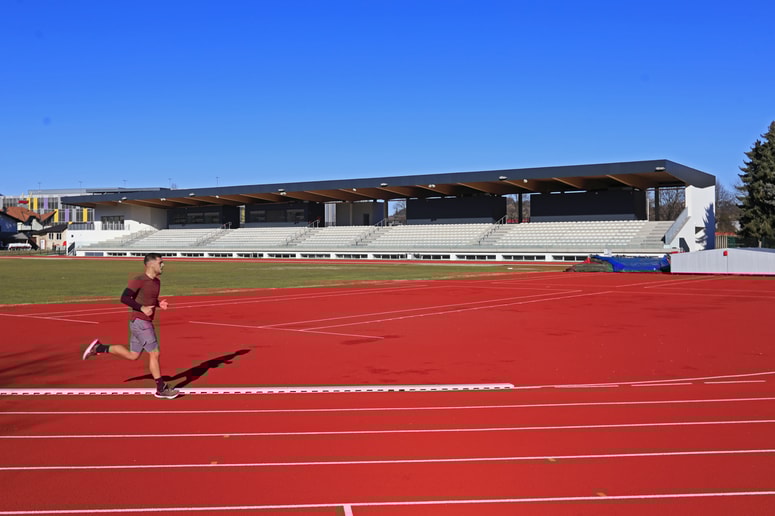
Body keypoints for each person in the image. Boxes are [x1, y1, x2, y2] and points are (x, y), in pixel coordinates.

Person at [82, 252, 179, 399]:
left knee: (133, 355)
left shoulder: (157, 282)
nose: (163, 265)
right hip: (141, 322)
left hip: (140, 323)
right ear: (151, 264)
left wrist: (159, 303)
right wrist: (141, 308)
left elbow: (149, 298)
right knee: (154, 353)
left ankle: (100, 348)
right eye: (161, 262)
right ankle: (161, 388)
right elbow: (124, 298)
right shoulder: (139, 280)